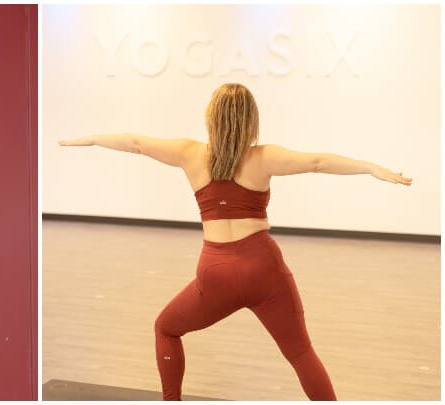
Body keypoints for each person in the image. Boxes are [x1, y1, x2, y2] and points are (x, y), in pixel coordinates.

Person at [58, 83, 411, 401]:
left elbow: (135, 143)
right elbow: (318, 162)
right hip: (263, 268)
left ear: (211, 118)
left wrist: (91, 138)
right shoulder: (263, 157)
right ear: (250, 121)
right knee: (301, 353)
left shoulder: (189, 153)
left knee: (166, 328)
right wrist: (370, 168)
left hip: (215, 272)